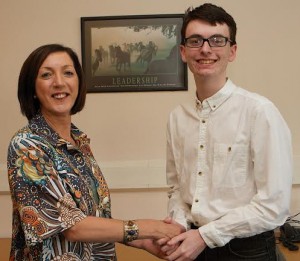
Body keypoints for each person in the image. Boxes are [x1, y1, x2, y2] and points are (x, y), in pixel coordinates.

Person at [7, 43, 183, 260]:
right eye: (46, 75)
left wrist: (141, 241)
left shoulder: (79, 142)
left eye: (68, 73)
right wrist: (147, 228)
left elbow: (93, 217)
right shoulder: (27, 145)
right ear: (32, 89)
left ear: (79, 83)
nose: (59, 82)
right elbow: (72, 226)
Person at [162, 3, 293, 261]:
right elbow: (177, 187)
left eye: (217, 40)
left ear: (232, 51)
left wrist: (205, 236)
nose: (206, 49)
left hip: (248, 251)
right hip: (192, 245)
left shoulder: (260, 112)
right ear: (183, 52)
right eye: (195, 40)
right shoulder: (177, 117)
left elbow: (274, 206)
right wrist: (178, 224)